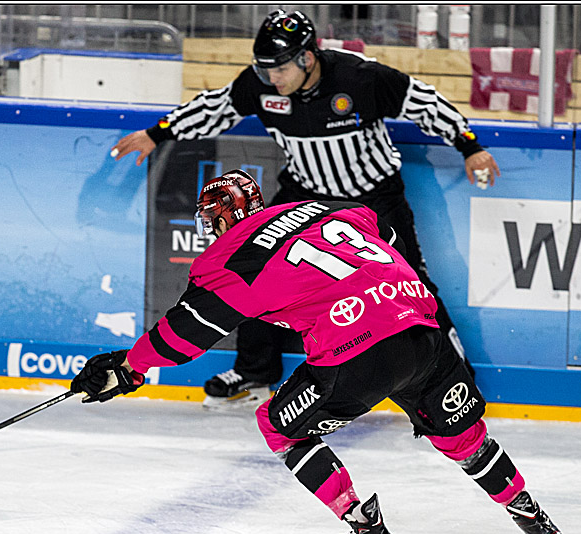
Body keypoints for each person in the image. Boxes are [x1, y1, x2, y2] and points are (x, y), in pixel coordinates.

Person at [70, 170, 568, 534]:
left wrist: (128, 368)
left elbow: (186, 333)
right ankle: (533, 519)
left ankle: (365, 529)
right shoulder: (328, 209)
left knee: (279, 427)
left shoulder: (232, 260)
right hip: (423, 330)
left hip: (357, 352)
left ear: (221, 221)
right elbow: (383, 235)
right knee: (464, 437)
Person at [111, 9, 500, 410]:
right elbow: (216, 106)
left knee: (410, 282)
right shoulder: (262, 87)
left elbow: (425, 102)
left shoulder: (359, 77)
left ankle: (455, 381)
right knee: (254, 269)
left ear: (307, 58)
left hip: (372, 198)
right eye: (264, 71)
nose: (271, 80)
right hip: (306, 196)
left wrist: (470, 146)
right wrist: (157, 134)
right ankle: (255, 374)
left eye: (278, 70)